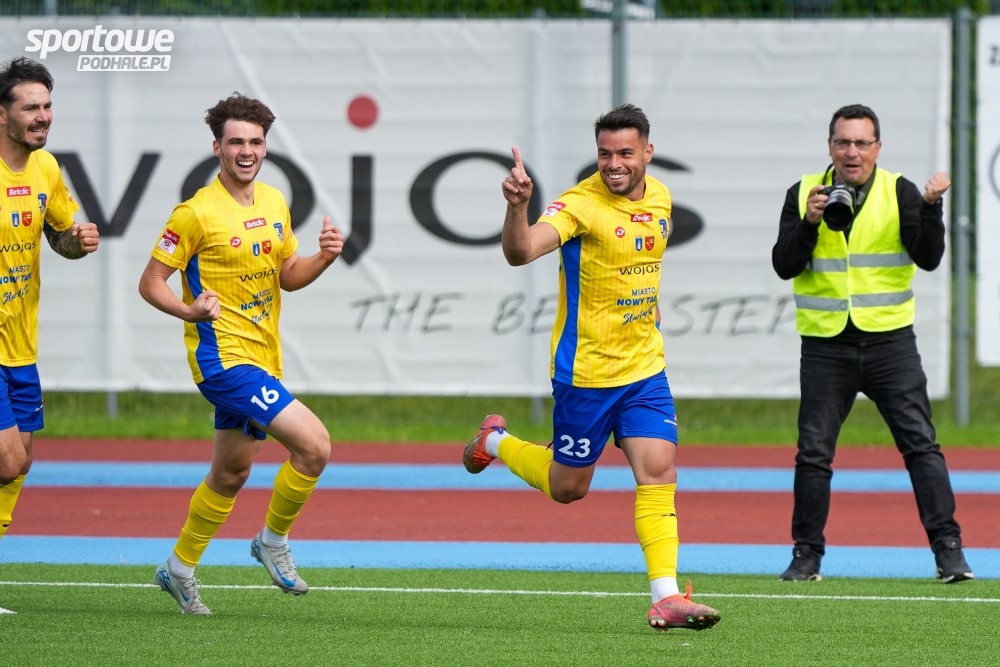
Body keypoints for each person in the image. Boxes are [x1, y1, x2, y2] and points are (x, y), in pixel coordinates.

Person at [464, 104, 721, 632]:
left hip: (644, 369)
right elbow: (520, 252)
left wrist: (647, 312)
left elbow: (643, 268)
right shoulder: (580, 204)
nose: (614, 164)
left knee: (659, 471)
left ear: (648, 152)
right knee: (568, 488)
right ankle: (495, 441)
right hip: (586, 375)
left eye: (625, 153)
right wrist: (518, 208)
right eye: (605, 154)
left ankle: (666, 596)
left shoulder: (661, 197)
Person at [139, 93, 344, 615]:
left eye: (255, 141)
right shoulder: (195, 213)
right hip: (223, 362)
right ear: (217, 148)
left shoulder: (274, 202)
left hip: (261, 358)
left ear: (266, 147)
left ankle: (179, 569)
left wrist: (323, 257)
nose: (246, 151)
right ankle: (272, 541)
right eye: (236, 142)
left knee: (230, 474)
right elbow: (151, 281)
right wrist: (189, 312)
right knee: (315, 446)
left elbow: (288, 276)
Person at [771, 103, 972, 583]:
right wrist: (809, 223)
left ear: (878, 148)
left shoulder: (900, 190)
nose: (852, 152)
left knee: (921, 446)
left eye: (862, 143)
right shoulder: (804, 192)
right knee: (813, 453)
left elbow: (928, 258)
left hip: (890, 343)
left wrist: (931, 208)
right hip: (826, 345)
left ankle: (949, 552)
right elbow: (784, 265)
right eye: (843, 142)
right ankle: (806, 556)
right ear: (830, 147)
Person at [0, 56, 100, 610]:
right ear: (2, 115)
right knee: (7, 461)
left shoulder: (46, 169)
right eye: (30, 108)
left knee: (22, 461)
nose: (43, 117)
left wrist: (75, 243)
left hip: (20, 344)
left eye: (47, 106)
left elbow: (59, 238)